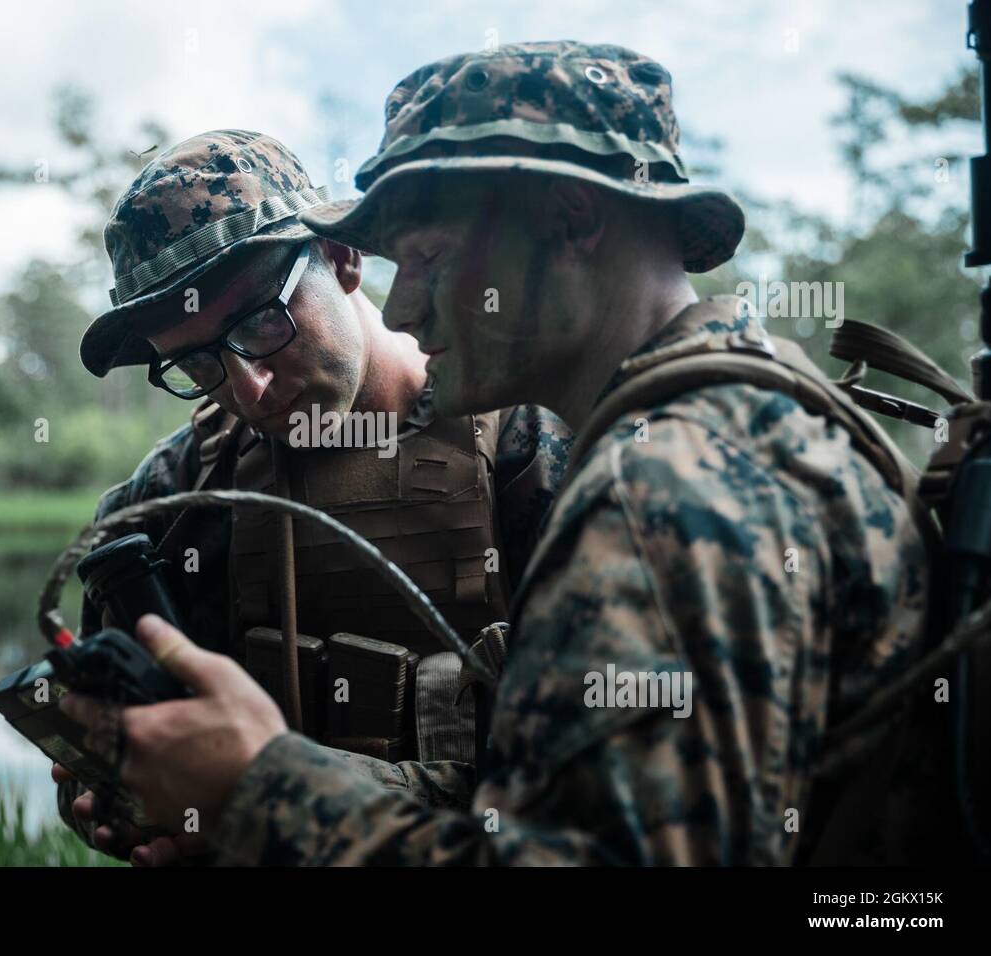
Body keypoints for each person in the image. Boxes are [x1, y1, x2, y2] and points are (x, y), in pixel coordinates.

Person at [59, 42, 937, 865]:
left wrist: (256, 790)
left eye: (429, 255)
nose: (406, 309)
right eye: (199, 364)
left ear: (571, 215)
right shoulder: (752, 412)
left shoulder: (662, 482)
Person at [56, 128, 571, 864]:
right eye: (198, 363)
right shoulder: (170, 502)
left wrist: (255, 798)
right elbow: (104, 743)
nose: (248, 389)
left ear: (343, 255)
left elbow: (595, 810)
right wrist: (122, 795)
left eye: (264, 323)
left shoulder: (535, 453)